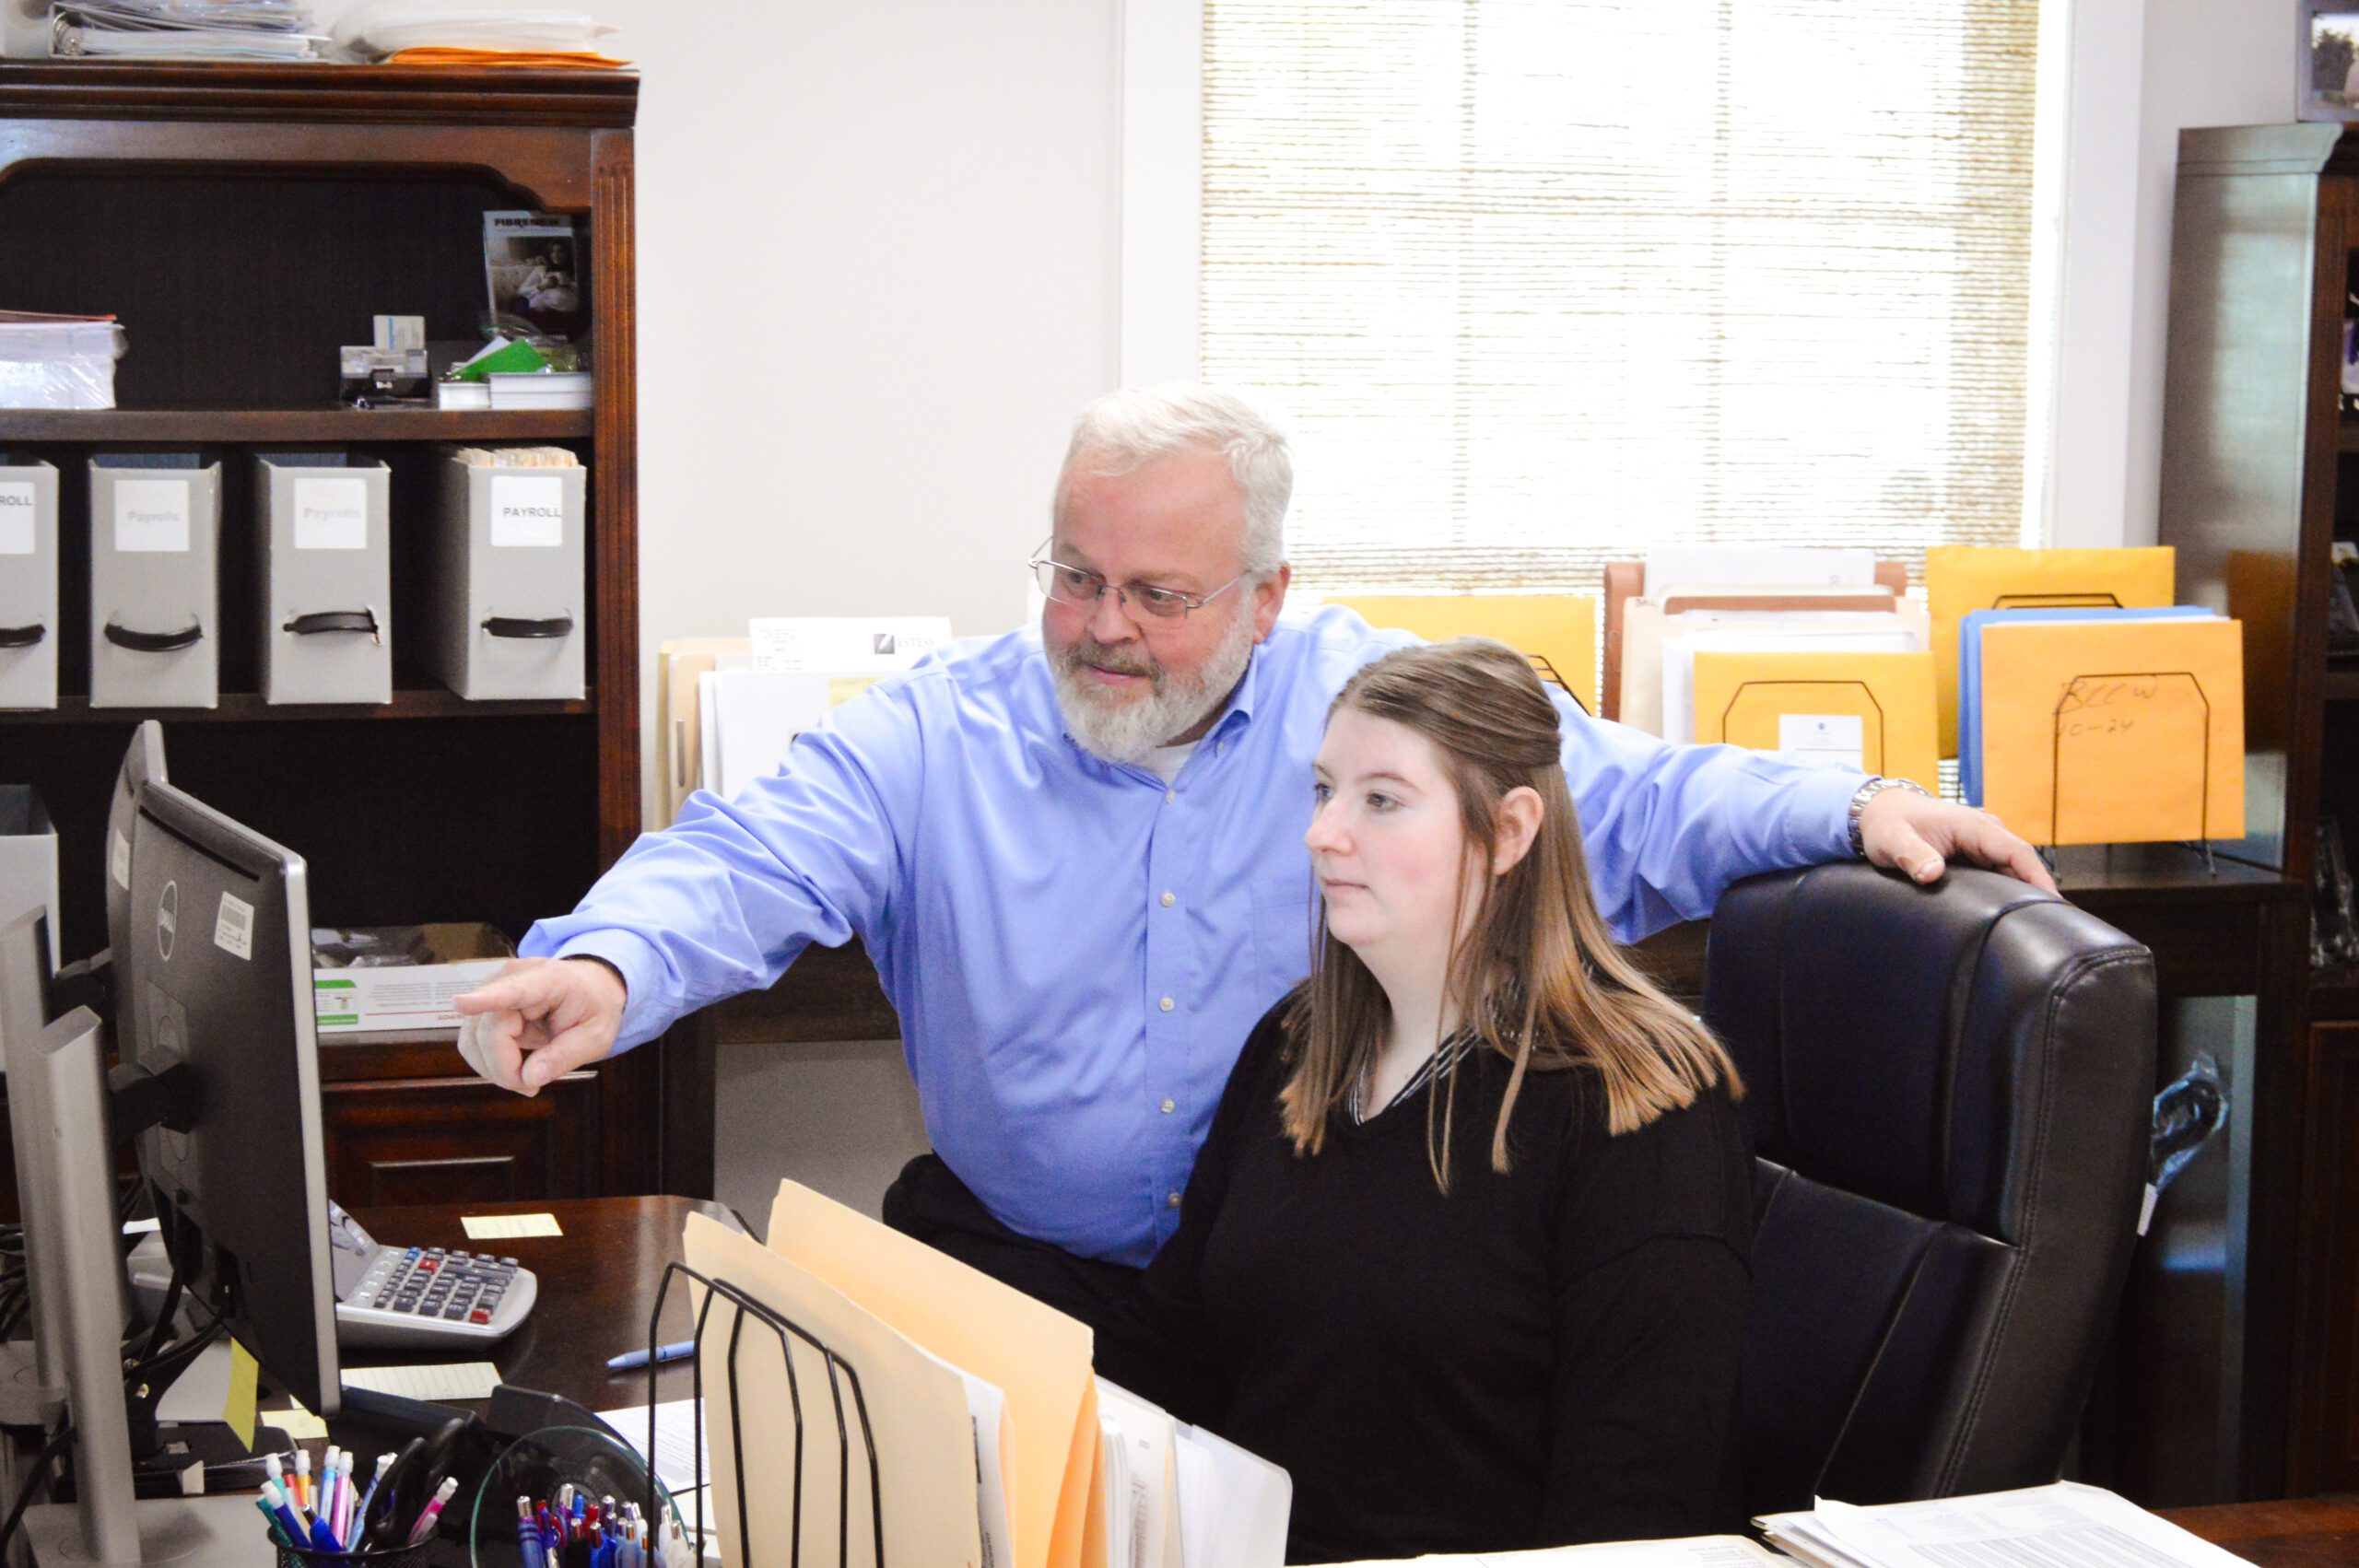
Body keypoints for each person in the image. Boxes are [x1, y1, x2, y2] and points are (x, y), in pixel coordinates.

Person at [452, 384, 2048, 1334]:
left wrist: (1846, 811)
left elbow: (1617, 798)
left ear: (1268, 594)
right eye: (1076, 575)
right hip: (1035, 1277)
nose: (1102, 628)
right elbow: (750, 853)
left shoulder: (1363, 701)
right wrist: (612, 960)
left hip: (1306, 1283)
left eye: (1161, 593)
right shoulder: (943, 729)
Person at [1102, 638, 1752, 1562]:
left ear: (1509, 831)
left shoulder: (1637, 1107)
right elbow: (1170, 1352)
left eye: (1381, 800)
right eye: (1324, 789)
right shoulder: (1297, 1045)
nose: (1322, 832)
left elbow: (1636, 1516)